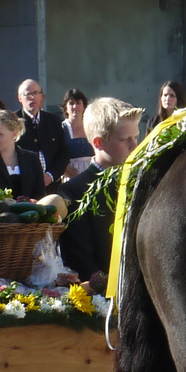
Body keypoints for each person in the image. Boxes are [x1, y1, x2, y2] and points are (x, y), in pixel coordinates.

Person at [58, 97, 142, 282]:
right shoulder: (74, 192)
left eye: (136, 137)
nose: (134, 146)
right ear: (98, 142)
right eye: (125, 139)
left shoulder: (141, 183)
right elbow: (81, 261)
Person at [15, 79, 68, 186]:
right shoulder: (13, 122)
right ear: (20, 98)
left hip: (52, 185)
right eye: (28, 94)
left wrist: (51, 175)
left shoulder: (53, 120)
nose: (32, 97)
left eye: (35, 93)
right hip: (24, 186)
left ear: (42, 96)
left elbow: (63, 153)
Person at [59, 88, 94, 175]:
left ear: (84, 107)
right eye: (71, 103)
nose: (75, 107)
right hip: (71, 176)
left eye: (78, 103)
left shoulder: (91, 127)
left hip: (92, 175)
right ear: (66, 108)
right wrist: (77, 179)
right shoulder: (61, 129)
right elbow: (58, 159)